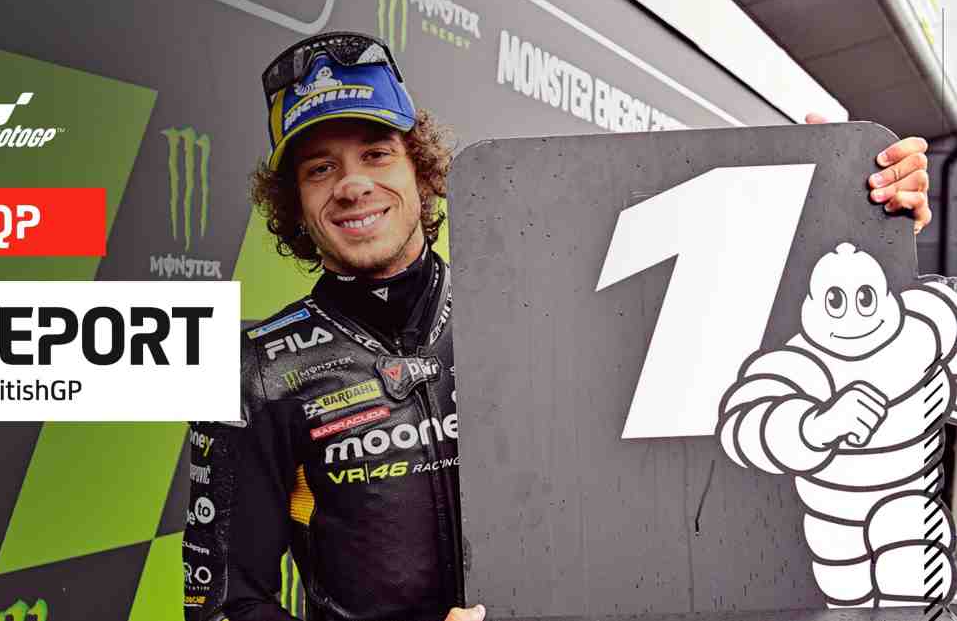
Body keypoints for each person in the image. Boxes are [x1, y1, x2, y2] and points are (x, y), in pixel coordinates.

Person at [183, 31, 933, 621]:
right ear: (294, 201)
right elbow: (222, 605)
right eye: (319, 168)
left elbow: (767, 378)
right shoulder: (255, 368)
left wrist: (849, 206)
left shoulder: (541, 305)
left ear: (422, 170)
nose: (352, 184)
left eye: (376, 153)